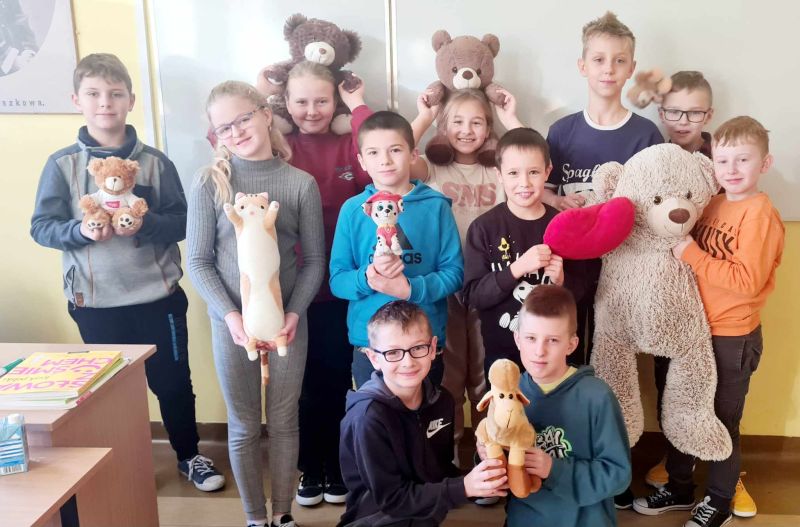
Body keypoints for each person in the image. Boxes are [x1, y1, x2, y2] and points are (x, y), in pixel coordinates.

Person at [30, 52, 224, 492]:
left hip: (158, 298)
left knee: (173, 383)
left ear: (131, 100)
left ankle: (189, 455)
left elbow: (184, 222)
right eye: (94, 94)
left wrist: (147, 224)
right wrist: (80, 231)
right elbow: (41, 227)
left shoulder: (155, 163)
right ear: (76, 100)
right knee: (112, 395)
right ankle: (125, 466)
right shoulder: (62, 165)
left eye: (116, 94)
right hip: (95, 302)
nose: (105, 103)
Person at [633, 116, 784, 527]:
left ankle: (719, 501)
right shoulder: (715, 203)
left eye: (742, 160)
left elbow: (746, 283)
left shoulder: (760, 214)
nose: (731, 170)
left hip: (731, 337)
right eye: (722, 161)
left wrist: (692, 255)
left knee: (720, 422)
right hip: (693, 332)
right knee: (682, 411)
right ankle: (680, 487)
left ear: (764, 163)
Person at [187, 80, 325, 527]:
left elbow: (314, 261)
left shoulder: (300, 183)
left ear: (266, 114)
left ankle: (282, 514)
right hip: (230, 325)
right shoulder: (210, 183)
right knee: (244, 423)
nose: (237, 131)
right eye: (224, 127)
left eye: (243, 118)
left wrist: (294, 314)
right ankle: (254, 518)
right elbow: (198, 261)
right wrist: (230, 317)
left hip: (287, 322)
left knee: (284, 420)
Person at [408, 87, 522, 467]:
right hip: (447, 286)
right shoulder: (432, 167)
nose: (466, 130)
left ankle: (489, 450)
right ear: (444, 127)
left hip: (492, 286)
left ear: (488, 128)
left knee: (486, 372)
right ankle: (452, 451)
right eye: (457, 122)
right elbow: (399, 155)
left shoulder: (497, 168)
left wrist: (510, 119)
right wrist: (425, 116)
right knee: (450, 374)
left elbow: (529, 157)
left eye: (476, 122)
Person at [542, 11, 662, 369]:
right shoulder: (561, 132)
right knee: (568, 351)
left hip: (623, 267)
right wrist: (557, 200)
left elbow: (655, 206)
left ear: (631, 69)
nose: (608, 69)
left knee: (613, 358)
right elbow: (542, 191)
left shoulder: (646, 135)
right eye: (598, 60)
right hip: (570, 266)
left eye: (619, 61)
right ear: (583, 66)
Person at [281, 60, 374, 508]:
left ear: (334, 100)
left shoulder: (348, 144)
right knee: (300, 383)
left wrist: (358, 106)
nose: (312, 110)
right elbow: (222, 137)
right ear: (285, 103)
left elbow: (380, 158)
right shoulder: (278, 144)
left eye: (322, 100)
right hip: (293, 288)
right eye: (301, 101)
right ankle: (310, 467)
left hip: (341, 287)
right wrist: (262, 93)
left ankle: (337, 464)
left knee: (337, 377)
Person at [338, 300, 508, 526]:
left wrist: (482, 475)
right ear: (373, 358)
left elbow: (441, 473)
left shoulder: (442, 401)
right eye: (393, 352)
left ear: (433, 348)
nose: (408, 362)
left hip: (424, 518)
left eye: (418, 348)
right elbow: (392, 500)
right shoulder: (368, 418)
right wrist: (463, 487)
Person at [329, 111, 463, 388]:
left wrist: (411, 289)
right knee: (373, 414)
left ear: (413, 154)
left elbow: (454, 274)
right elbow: (337, 280)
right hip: (371, 347)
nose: (385, 160)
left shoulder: (436, 206)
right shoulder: (352, 210)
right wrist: (367, 277)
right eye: (374, 152)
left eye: (395, 150)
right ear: (362, 161)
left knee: (425, 412)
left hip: (423, 344)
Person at [478, 284, 631, 526]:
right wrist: (486, 456)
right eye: (531, 338)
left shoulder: (597, 397)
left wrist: (554, 469)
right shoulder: (508, 395)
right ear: (518, 339)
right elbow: (503, 470)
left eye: (552, 340)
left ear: (571, 344)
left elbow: (618, 476)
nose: (539, 351)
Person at [462, 127, 586, 381]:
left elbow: (586, 291)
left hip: (557, 357)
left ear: (547, 172)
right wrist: (516, 269)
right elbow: (473, 296)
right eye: (513, 173)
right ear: (499, 175)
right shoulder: (484, 228)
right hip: (503, 355)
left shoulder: (565, 226)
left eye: (533, 172)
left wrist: (563, 281)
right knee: (506, 407)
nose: (524, 183)